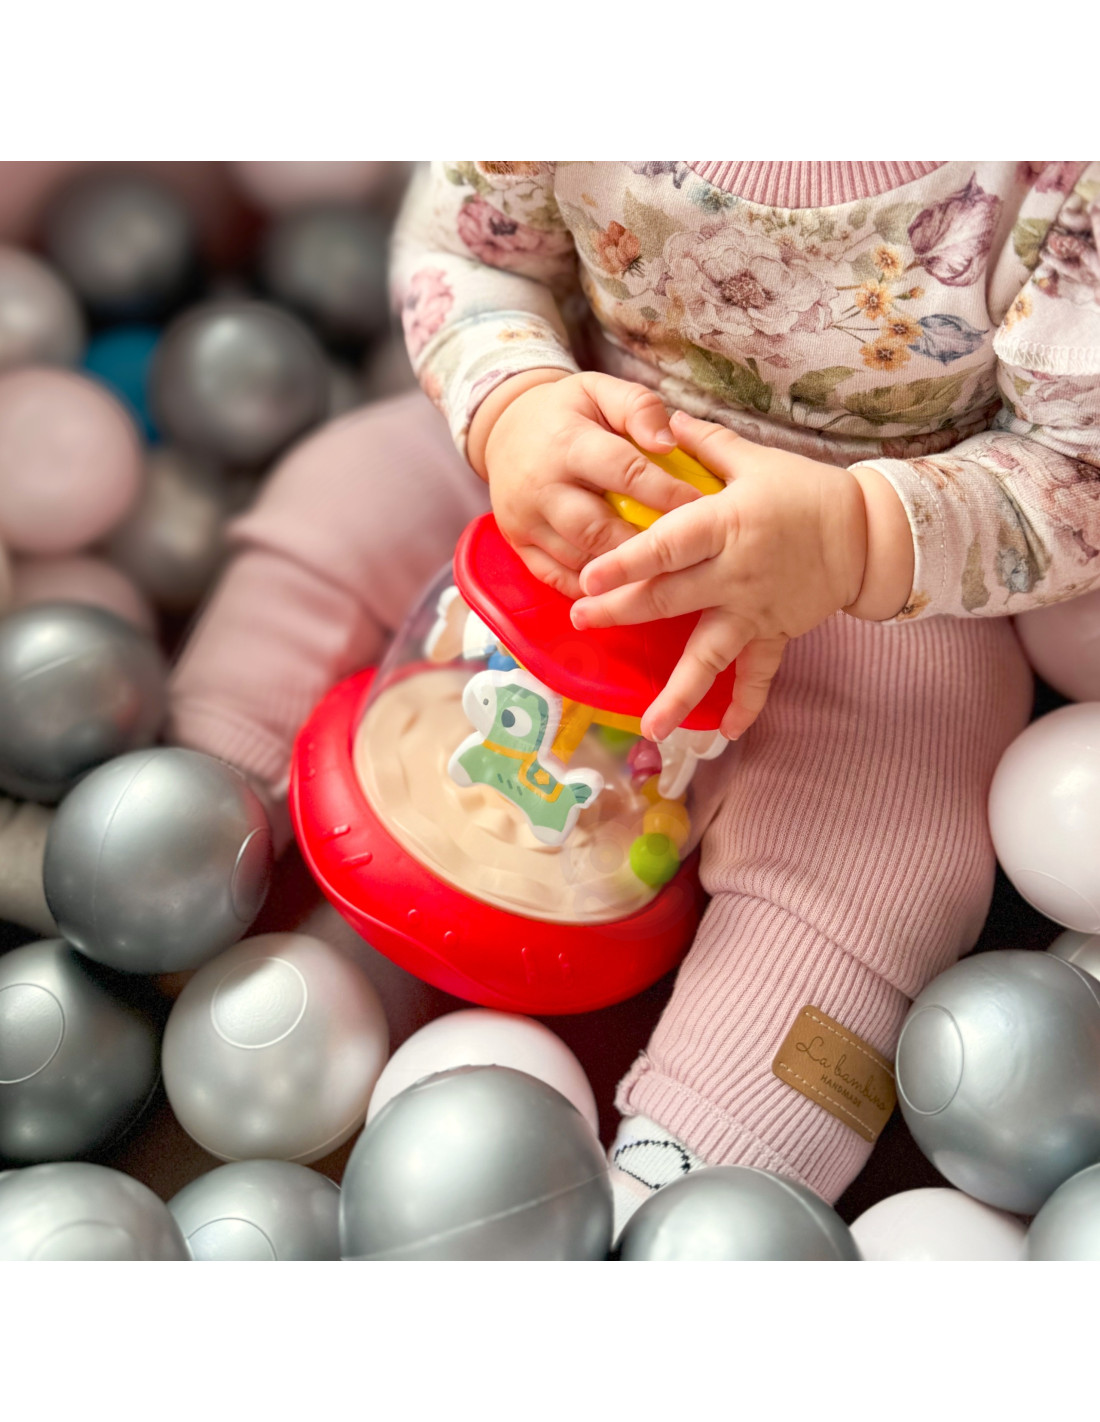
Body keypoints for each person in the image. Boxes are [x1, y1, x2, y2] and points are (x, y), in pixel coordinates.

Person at [169, 161, 1099, 1226]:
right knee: (343, 493)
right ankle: (188, 807)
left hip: (872, 586)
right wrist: (513, 405)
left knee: (892, 842)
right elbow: (463, 250)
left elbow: (1077, 471)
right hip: (562, 469)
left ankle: (689, 1187)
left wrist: (857, 536)